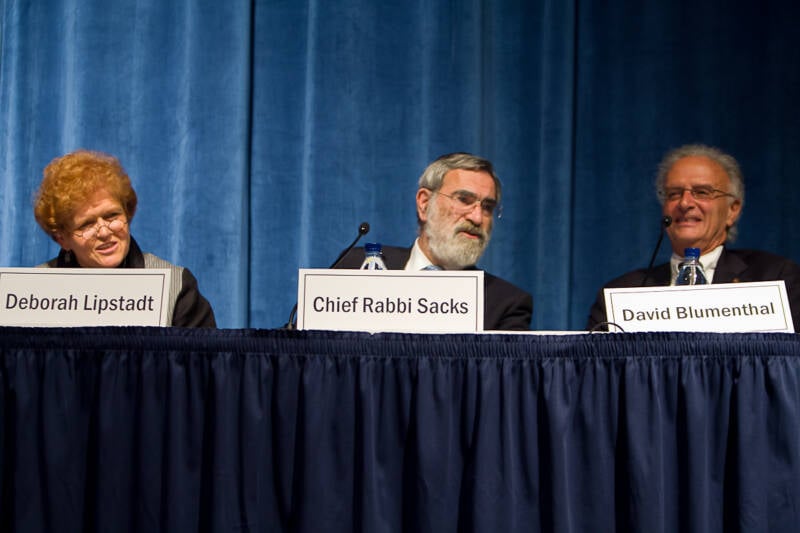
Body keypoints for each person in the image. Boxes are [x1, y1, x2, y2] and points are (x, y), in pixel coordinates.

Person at [586, 143, 800, 331]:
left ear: (732, 210)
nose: (685, 203)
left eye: (702, 192)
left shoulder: (775, 278)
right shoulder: (621, 294)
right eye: (674, 193)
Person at [338, 152, 532, 330]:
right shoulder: (355, 267)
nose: (477, 218)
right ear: (424, 204)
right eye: (464, 200)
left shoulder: (506, 305)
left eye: (488, 207)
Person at [33, 149, 216, 327]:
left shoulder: (176, 287)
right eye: (86, 224)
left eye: (112, 215)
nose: (104, 232)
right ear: (62, 239)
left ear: (128, 213)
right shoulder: (35, 292)